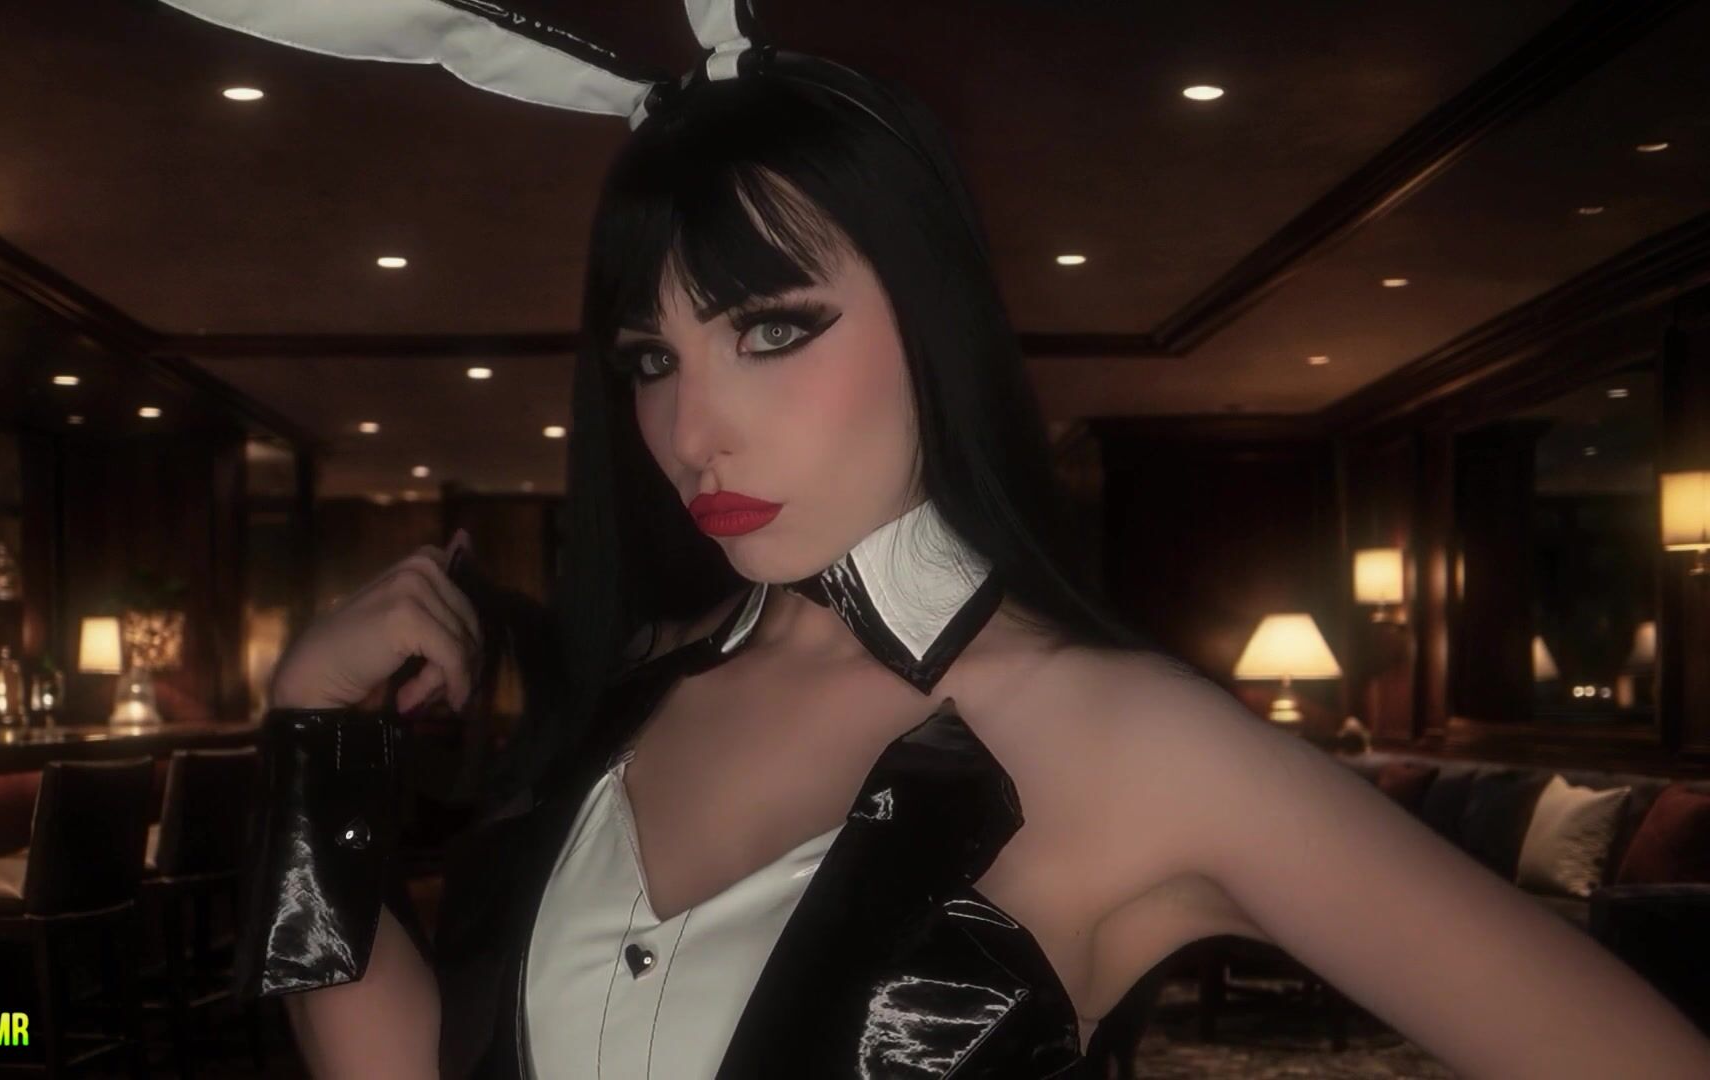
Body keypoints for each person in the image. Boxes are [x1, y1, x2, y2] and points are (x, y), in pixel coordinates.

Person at [166, 2, 1710, 1077]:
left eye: (772, 329)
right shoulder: (644, 681)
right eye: (651, 357)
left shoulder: (1125, 737)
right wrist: (312, 734)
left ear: (935, 319)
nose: (694, 429)